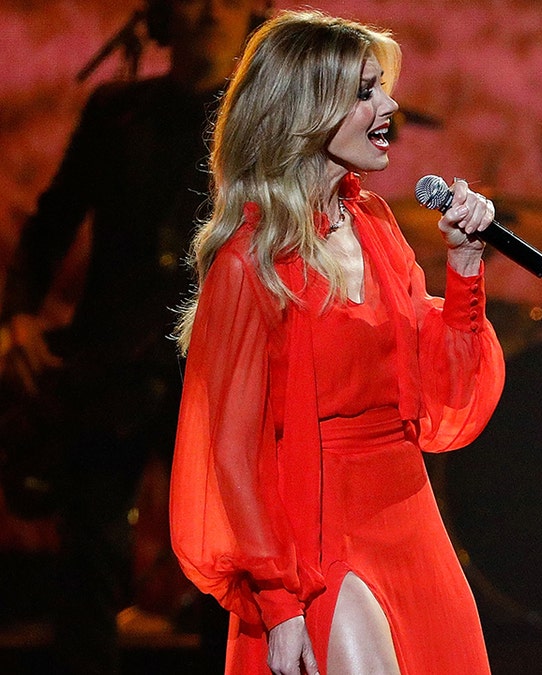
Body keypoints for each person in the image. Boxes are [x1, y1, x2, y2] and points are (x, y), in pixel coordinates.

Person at [169, 10, 505, 675]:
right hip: (319, 541)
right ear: (304, 112)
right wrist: (279, 599)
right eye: (364, 91)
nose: (389, 105)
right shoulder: (249, 263)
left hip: (412, 520)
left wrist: (465, 267)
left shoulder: (375, 225)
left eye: (381, 87)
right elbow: (232, 453)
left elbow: (445, 391)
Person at [0, 2, 264, 672]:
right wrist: (19, 313)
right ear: (162, 16)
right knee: (88, 565)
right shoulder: (117, 112)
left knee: (223, 574)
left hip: (214, 370)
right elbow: (53, 218)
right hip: (109, 364)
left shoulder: (262, 121)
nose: (209, 11)